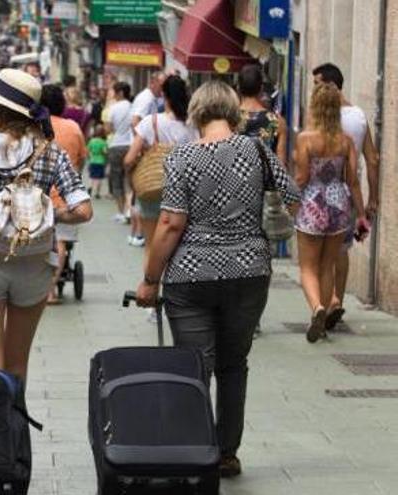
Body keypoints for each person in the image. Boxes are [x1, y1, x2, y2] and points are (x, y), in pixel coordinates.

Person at [135, 81, 300, 478]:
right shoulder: (256, 150)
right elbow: (291, 195)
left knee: (195, 366)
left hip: (191, 276)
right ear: (233, 111)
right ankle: (227, 453)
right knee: (233, 364)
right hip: (249, 271)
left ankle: (195, 449)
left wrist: (149, 280)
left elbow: (172, 223)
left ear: (196, 114)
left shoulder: (181, 158)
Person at [0, 69, 92, 381]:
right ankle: (17, 429)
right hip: (36, 265)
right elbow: (83, 210)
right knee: (17, 367)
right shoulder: (51, 150)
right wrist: (50, 214)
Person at [294, 83, 368, 343]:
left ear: (315, 107)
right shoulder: (345, 141)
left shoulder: (305, 139)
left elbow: (302, 178)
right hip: (339, 204)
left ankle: (317, 308)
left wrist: (290, 201)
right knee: (327, 266)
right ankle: (323, 323)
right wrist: (362, 215)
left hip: (313, 204)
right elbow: (353, 181)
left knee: (307, 267)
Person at [312, 63, 380, 331]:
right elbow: (372, 159)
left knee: (320, 252)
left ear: (330, 85)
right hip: (350, 195)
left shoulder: (321, 116)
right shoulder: (360, 117)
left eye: (317, 84)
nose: (314, 90)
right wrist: (373, 198)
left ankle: (327, 301)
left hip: (320, 194)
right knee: (340, 249)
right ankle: (336, 300)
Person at [124, 75, 195, 249]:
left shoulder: (151, 122)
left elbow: (129, 159)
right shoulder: (192, 125)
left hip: (153, 188)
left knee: (151, 247)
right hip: (182, 191)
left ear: (164, 95)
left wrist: (132, 174)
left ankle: (151, 276)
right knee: (177, 247)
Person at [39, 84, 88, 304]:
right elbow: (81, 158)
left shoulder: (35, 127)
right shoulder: (73, 127)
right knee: (60, 241)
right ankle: (50, 290)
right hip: (65, 196)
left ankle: (40, 286)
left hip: (37, 196)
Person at [238, 65, 288, 164]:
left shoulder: (228, 119)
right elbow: (280, 164)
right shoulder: (277, 121)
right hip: (265, 177)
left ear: (238, 89)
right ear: (261, 89)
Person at [105, 82, 133, 228]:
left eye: (115, 92)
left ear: (120, 93)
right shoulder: (134, 106)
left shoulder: (113, 108)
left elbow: (108, 129)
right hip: (132, 146)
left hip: (116, 145)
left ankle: (121, 212)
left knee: (116, 179)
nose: (113, 95)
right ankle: (129, 210)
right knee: (129, 180)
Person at [87, 124, 108, 199]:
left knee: (92, 176)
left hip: (92, 161)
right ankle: (97, 193)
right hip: (100, 161)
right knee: (99, 178)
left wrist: (90, 157)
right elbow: (105, 152)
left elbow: (88, 151)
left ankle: (90, 187)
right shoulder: (103, 142)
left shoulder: (91, 141)